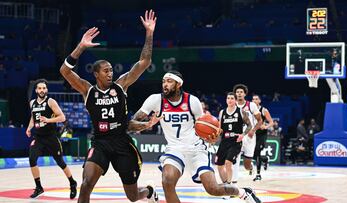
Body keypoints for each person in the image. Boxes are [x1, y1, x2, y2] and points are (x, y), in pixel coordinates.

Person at [60, 10, 159, 203]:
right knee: (86, 184)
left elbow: (144, 62)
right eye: (106, 71)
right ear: (96, 74)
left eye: (111, 70)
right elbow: (64, 71)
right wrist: (80, 47)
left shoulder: (121, 86)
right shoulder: (87, 89)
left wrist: (149, 33)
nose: (110, 73)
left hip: (122, 142)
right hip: (100, 143)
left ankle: (148, 191)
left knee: (132, 197)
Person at [130, 71, 261, 203]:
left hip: (196, 149)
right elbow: (131, 123)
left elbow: (204, 127)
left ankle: (243, 192)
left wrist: (211, 138)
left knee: (212, 188)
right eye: (164, 81)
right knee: (167, 181)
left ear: (178, 84)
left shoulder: (192, 101)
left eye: (169, 81)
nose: (165, 84)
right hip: (174, 149)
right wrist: (147, 124)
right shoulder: (155, 100)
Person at [26, 79, 77, 199]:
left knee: (60, 162)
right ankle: (39, 187)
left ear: (47, 90)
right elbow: (33, 118)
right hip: (38, 137)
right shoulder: (32, 102)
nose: (42, 90)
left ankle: (72, 182)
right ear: (36, 90)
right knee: (32, 159)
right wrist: (29, 128)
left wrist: (48, 120)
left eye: (44, 88)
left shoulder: (51, 101)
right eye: (39, 88)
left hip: (51, 137)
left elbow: (62, 117)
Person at [215, 92, 252, 185]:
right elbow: (220, 129)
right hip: (224, 141)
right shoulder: (222, 112)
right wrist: (216, 132)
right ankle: (225, 185)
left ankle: (229, 185)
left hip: (236, 141)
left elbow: (249, 125)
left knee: (228, 162)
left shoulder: (240, 111)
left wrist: (243, 134)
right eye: (228, 98)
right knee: (219, 166)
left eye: (232, 98)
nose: (230, 100)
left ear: (235, 100)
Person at [232, 84, 262, 180]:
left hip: (249, 136)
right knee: (234, 160)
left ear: (245, 94)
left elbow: (260, 120)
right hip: (237, 136)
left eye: (241, 92)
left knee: (246, 165)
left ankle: (251, 167)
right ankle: (233, 182)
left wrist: (253, 130)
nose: (239, 94)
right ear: (235, 94)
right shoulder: (232, 105)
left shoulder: (251, 105)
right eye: (237, 92)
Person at [252, 94, 274, 181]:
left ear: (259, 101)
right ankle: (265, 159)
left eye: (256, 99)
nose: (254, 101)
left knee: (257, 151)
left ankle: (258, 174)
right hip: (253, 134)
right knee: (250, 154)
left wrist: (266, 126)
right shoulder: (250, 110)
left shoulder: (264, 110)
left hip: (261, 134)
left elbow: (271, 122)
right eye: (253, 99)